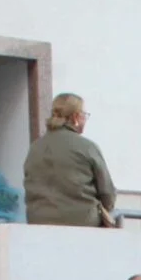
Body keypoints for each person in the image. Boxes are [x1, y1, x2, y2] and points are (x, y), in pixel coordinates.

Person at [21, 92, 116, 227]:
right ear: (76, 117)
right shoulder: (87, 147)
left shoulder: (35, 148)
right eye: (84, 115)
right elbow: (107, 193)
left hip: (38, 221)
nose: (85, 119)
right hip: (82, 222)